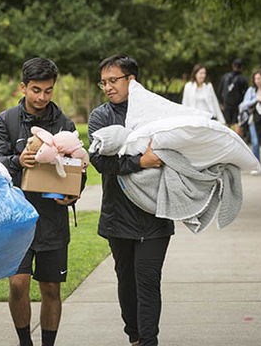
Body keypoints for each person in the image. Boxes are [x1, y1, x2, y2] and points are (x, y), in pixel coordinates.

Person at [0, 57, 84, 346]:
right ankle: (24, 342)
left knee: (51, 288)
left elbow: (77, 168)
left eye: (48, 90)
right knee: (18, 284)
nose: (42, 97)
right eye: (36, 90)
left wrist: (74, 191)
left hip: (52, 220)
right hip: (16, 220)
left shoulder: (63, 123)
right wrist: (18, 160)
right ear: (23, 87)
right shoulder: (7, 121)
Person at [88, 54, 174, 346]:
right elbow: (101, 162)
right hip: (118, 216)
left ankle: (149, 341)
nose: (108, 87)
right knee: (126, 281)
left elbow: (171, 152)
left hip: (155, 213)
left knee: (148, 281)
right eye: (104, 83)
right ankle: (135, 336)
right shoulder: (100, 116)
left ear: (131, 80)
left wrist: (150, 159)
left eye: (114, 80)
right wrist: (141, 161)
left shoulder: (156, 112)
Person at [217, 58, 249, 127]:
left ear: (233, 66)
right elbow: (246, 94)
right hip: (237, 106)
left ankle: (226, 138)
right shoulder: (243, 79)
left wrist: (220, 103)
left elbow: (219, 91)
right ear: (242, 67)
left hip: (226, 105)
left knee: (226, 125)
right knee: (237, 124)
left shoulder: (225, 77)